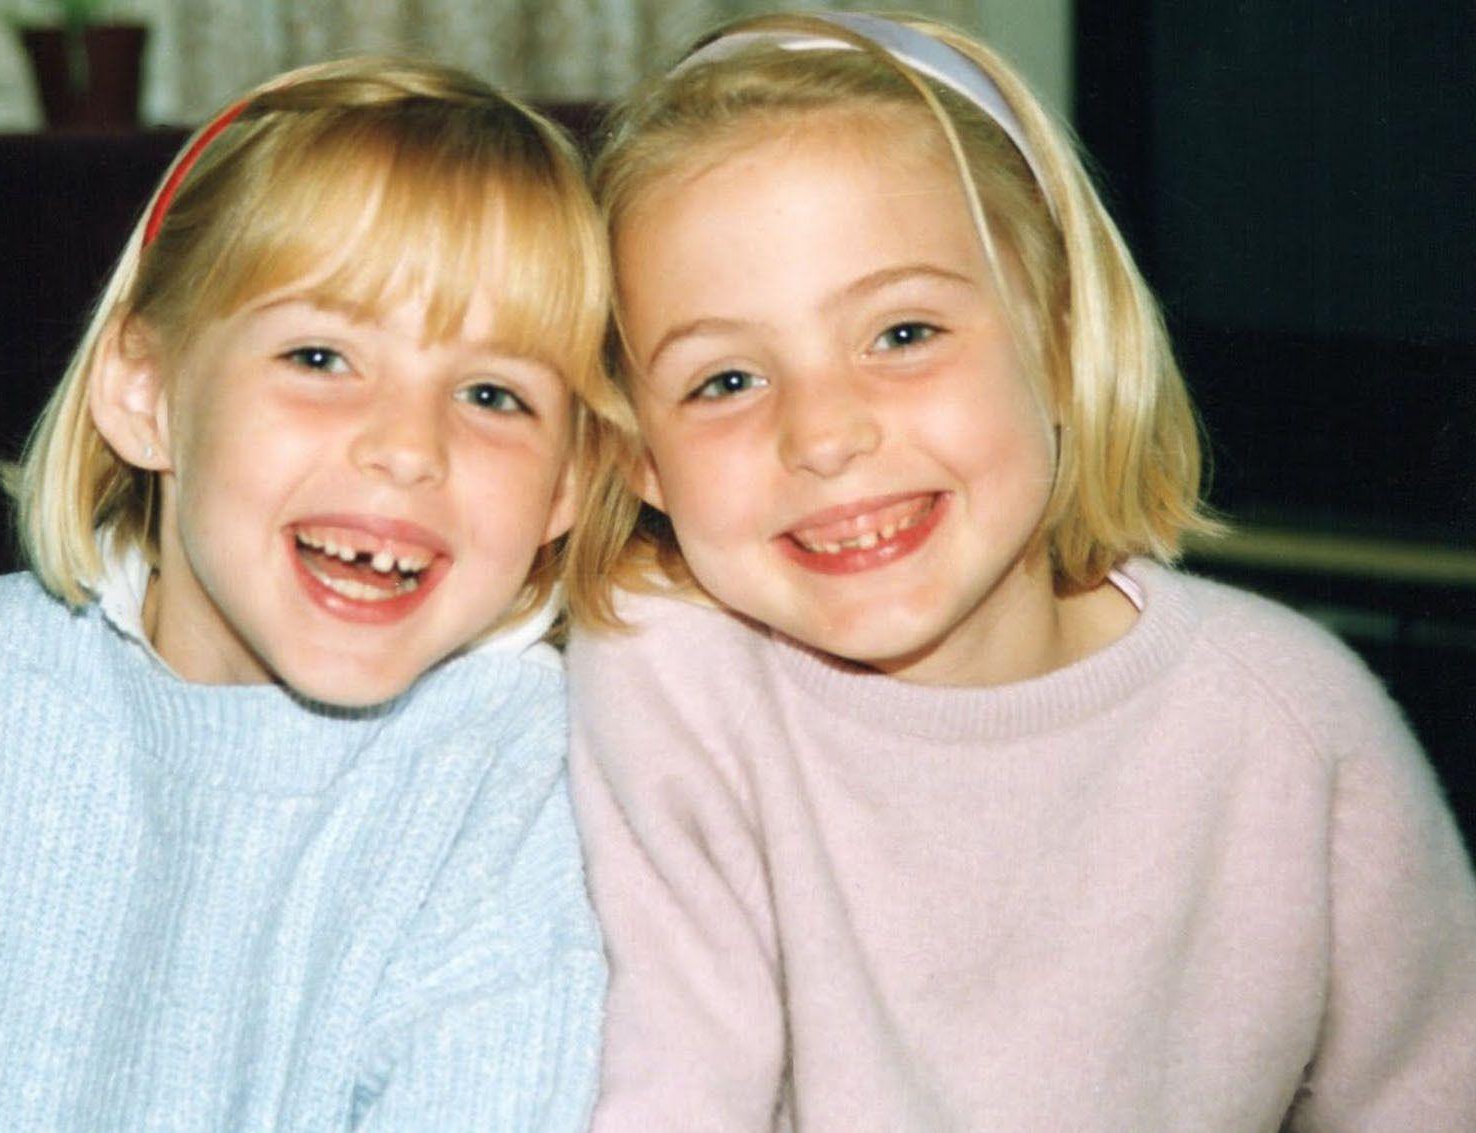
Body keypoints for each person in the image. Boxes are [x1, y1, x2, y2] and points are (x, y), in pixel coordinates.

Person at [562, 11, 1476, 1130]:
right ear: (640, 457)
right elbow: (675, 1084)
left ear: (1058, 332)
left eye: (901, 333)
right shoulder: (669, 673)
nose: (825, 433)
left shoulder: (1294, 719)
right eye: (726, 381)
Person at [0, 56, 611, 1131]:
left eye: (493, 393)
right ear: (145, 392)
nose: (408, 447)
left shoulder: (525, 772)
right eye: (320, 355)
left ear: (569, 485)